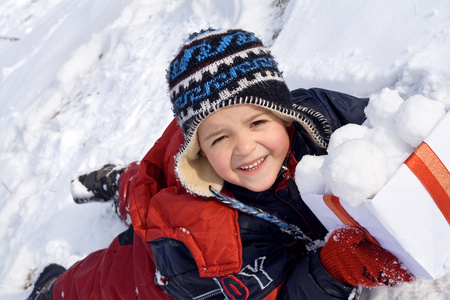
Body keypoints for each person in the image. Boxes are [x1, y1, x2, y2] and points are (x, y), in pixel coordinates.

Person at [28, 28, 413, 300]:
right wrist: (330, 273)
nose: (245, 147)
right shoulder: (208, 246)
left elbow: (385, 129)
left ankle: (121, 184)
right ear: (199, 150)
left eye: (258, 122)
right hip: (177, 257)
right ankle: (51, 291)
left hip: (190, 186)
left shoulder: (318, 116)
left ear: (284, 114)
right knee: (105, 280)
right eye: (220, 138)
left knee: (147, 185)